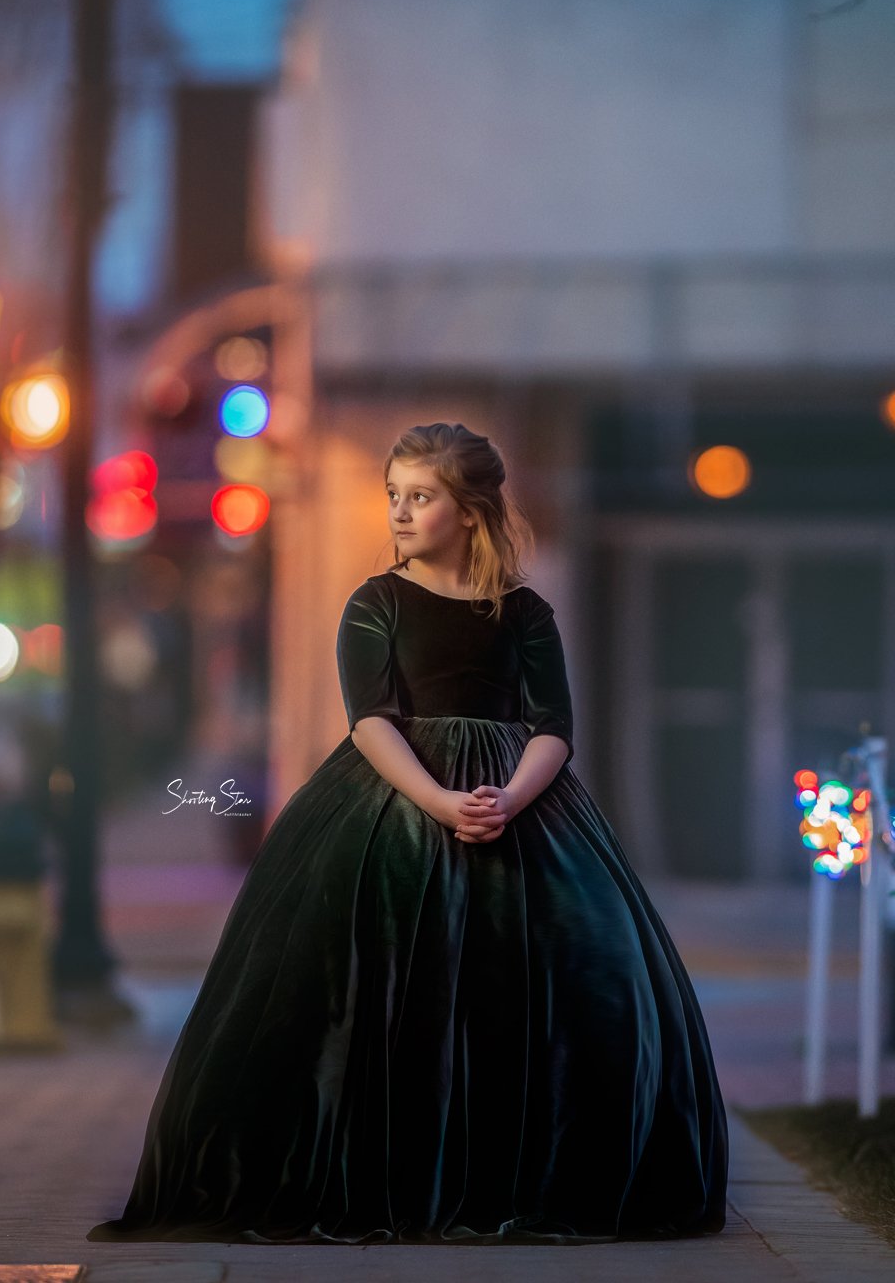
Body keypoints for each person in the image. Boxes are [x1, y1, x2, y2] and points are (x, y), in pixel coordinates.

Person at [89, 422, 728, 1244]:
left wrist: (507, 798)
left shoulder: (524, 612)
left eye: (419, 498)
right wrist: (438, 800)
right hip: (391, 804)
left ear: (467, 512)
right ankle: (380, 1171)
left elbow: (553, 725)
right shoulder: (375, 602)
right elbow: (370, 722)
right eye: (393, 495)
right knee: (371, 987)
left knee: (574, 977)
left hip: (520, 803)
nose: (398, 511)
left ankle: (522, 1175)